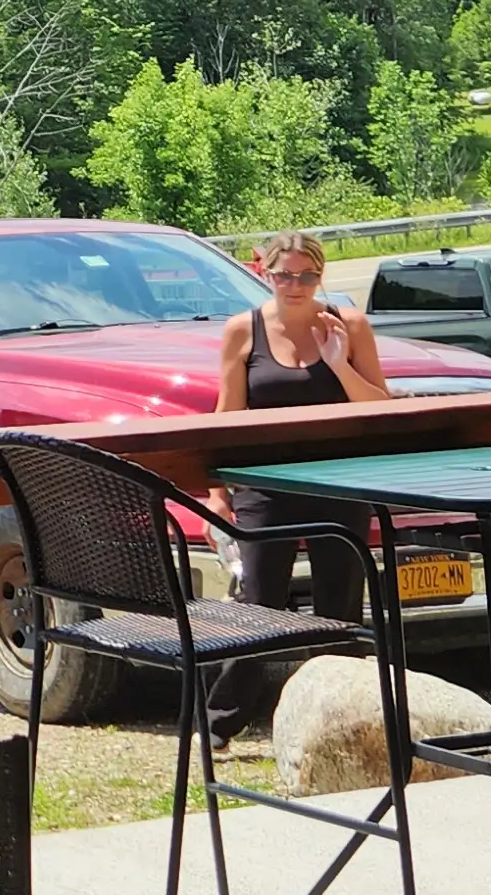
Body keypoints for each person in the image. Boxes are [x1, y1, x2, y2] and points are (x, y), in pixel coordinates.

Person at [203, 228, 390, 746]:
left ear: (320, 276)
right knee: (260, 601)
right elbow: (228, 414)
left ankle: (344, 720)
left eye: (307, 275)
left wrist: (336, 363)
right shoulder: (243, 331)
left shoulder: (348, 324)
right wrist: (216, 492)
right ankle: (220, 722)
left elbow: (382, 408)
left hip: (339, 480)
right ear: (265, 272)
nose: (295, 284)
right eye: (284, 274)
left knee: (341, 604)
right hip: (264, 485)